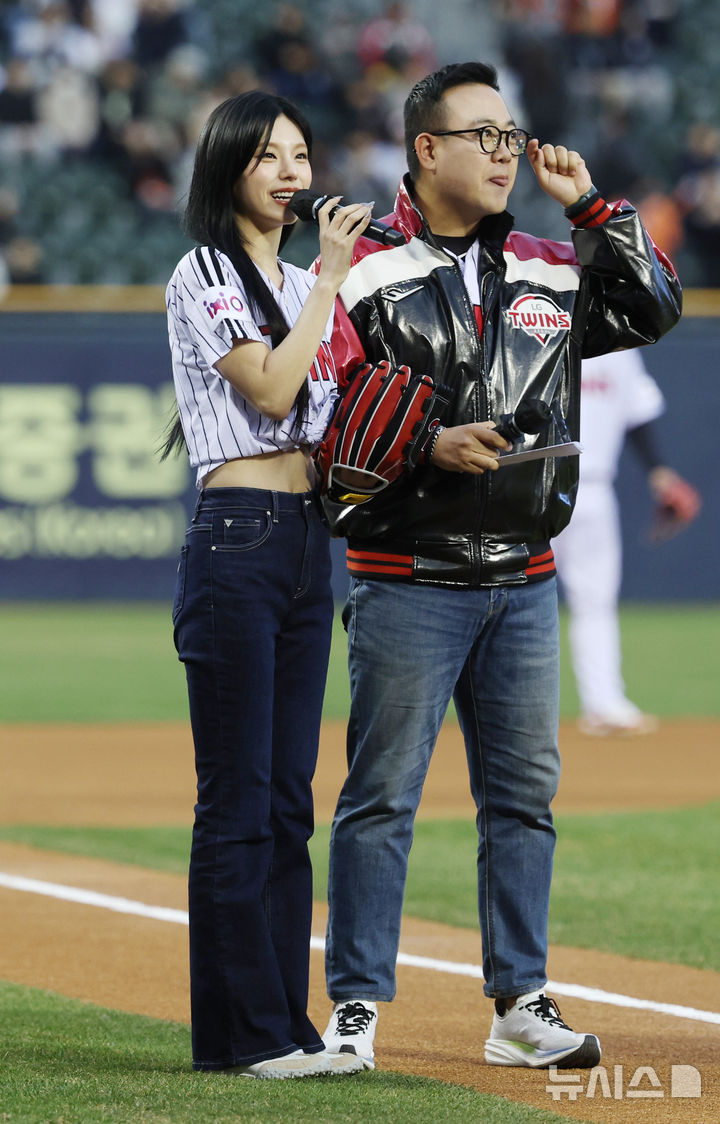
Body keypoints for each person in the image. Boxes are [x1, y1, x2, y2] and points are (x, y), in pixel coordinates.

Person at [313, 61, 681, 1070]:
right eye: (484, 135)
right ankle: (356, 1009)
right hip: (407, 572)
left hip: (524, 575)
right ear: (426, 148)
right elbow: (322, 420)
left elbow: (655, 310)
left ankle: (520, 1004)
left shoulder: (548, 263)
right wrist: (424, 444)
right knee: (380, 801)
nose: (506, 152)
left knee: (523, 802)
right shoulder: (361, 268)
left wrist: (596, 209)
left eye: (511, 135)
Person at [164, 90, 372, 1079]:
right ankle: (243, 1036)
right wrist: (330, 277)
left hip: (304, 540)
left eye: (300, 154)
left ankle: (282, 1027)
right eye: (268, 156)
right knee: (239, 796)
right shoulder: (205, 270)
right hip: (237, 536)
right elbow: (274, 387)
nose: (292, 172)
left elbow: (333, 423)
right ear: (228, 167)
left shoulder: (303, 281)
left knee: (290, 799)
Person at [553, 349, 701, 735]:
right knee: (508, 597)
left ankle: (604, 703)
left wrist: (660, 473)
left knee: (595, 601)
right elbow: (640, 411)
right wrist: (659, 472)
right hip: (533, 488)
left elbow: (637, 412)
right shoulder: (611, 340)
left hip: (589, 487)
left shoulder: (619, 348)